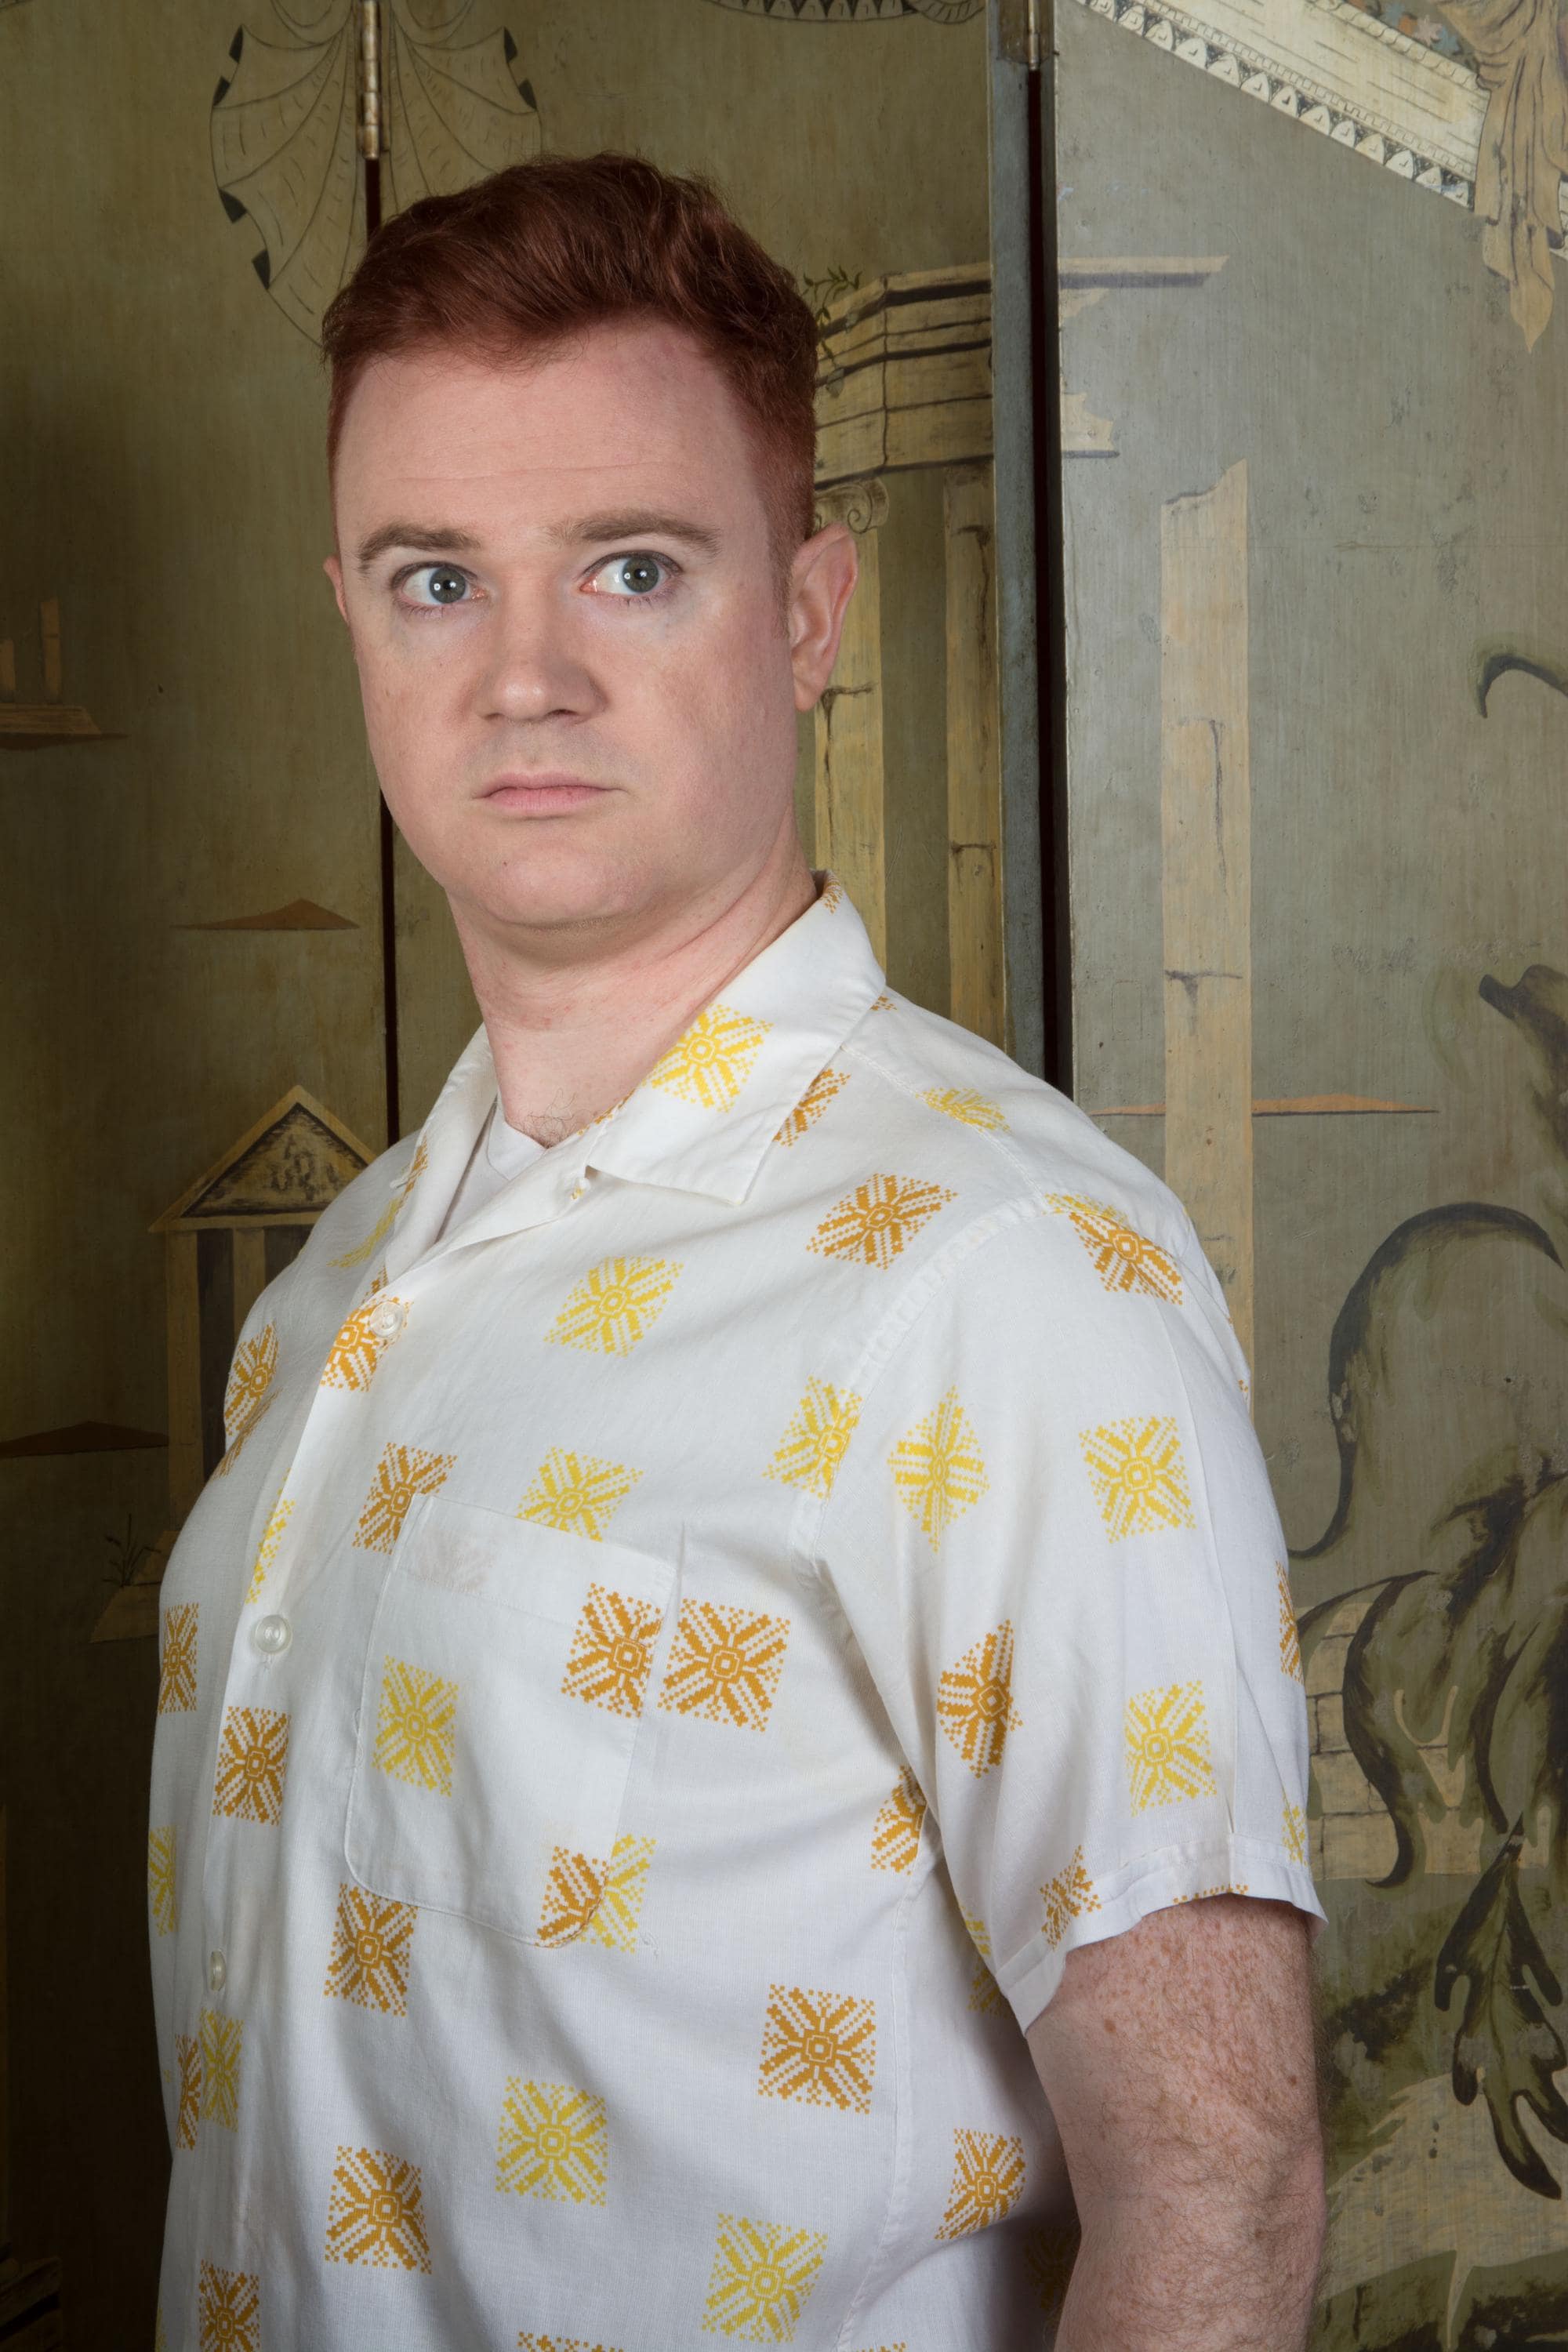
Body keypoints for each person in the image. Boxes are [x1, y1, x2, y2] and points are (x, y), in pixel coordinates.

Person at [147, 152, 1326, 2350]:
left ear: (805, 614)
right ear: (352, 622)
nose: (525, 679)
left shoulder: (1007, 1280)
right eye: (435, 580)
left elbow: (1219, 2203)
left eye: (631, 568)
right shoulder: (339, 1284)